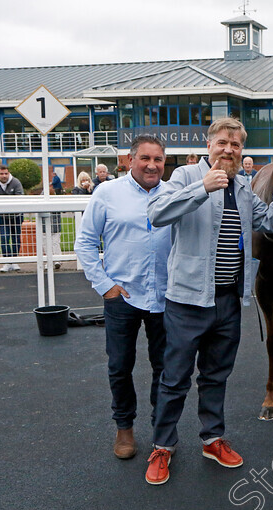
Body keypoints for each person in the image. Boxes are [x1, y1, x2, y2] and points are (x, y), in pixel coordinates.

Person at [145, 118, 273, 485]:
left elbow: (271, 224)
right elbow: (156, 214)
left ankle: (212, 439)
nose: (229, 149)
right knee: (175, 378)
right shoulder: (184, 176)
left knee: (216, 375)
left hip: (228, 300)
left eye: (236, 145)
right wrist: (201, 188)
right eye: (223, 142)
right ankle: (163, 446)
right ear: (208, 145)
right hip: (187, 301)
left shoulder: (243, 187)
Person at [75, 134, 172, 460]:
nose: (152, 165)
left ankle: (162, 430)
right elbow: (86, 243)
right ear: (130, 161)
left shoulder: (174, 194)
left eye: (157, 159)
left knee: (165, 368)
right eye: (145, 158)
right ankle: (124, 427)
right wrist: (104, 285)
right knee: (120, 366)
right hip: (122, 297)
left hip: (164, 297)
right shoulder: (107, 192)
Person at [0, 165, 24, 272]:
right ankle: (7, 261)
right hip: (1, 215)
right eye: (1, 174)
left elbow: (20, 197)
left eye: (6, 173)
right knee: (4, 237)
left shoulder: (15, 182)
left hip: (16, 215)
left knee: (16, 238)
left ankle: (14, 260)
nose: (4, 176)